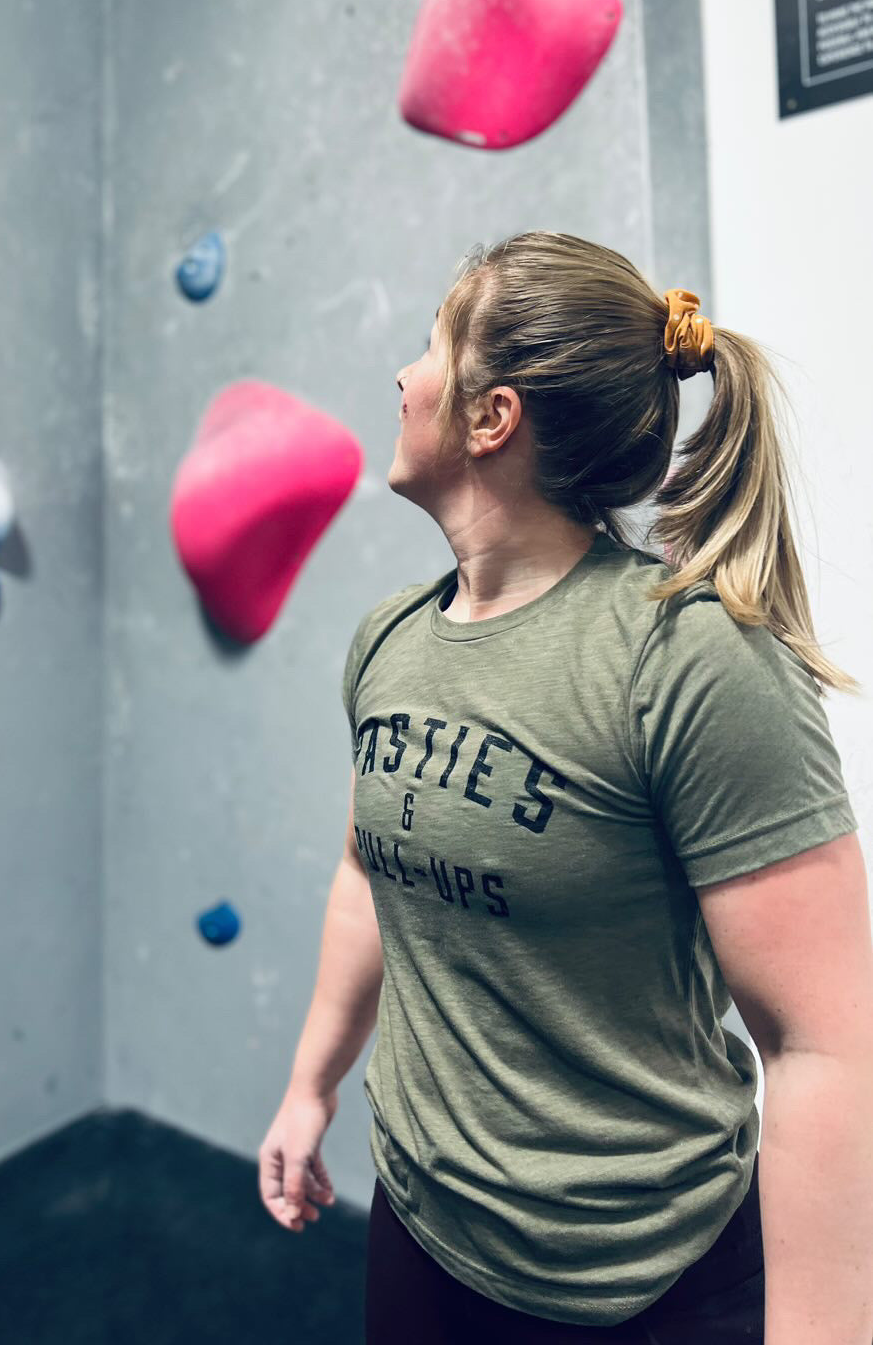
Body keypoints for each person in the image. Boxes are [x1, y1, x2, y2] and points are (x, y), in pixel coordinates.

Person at [256, 231, 861, 1343]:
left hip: (644, 1276)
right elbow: (364, 872)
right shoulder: (389, 636)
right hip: (424, 1227)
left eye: (433, 345)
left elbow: (824, 1041)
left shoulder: (690, 657)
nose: (402, 375)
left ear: (493, 417)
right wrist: (311, 1085)